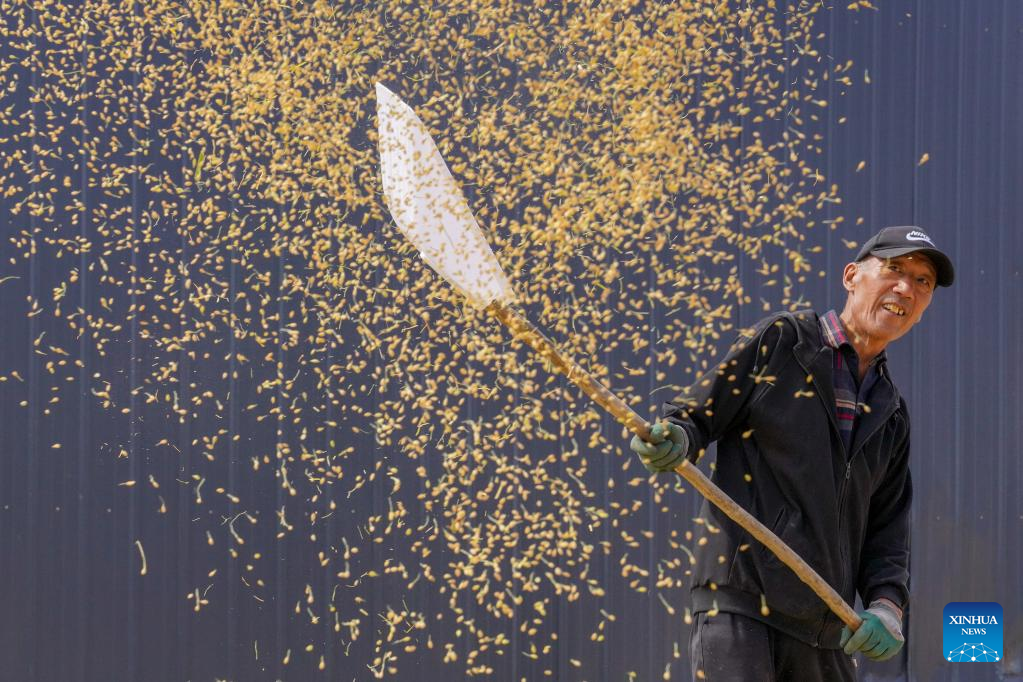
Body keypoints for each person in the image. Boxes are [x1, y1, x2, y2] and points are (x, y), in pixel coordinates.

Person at [631, 226, 955, 681]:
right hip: (742, 607)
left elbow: (887, 533)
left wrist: (887, 606)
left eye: (923, 281)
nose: (906, 288)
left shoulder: (891, 412)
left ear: (924, 307)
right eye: (894, 269)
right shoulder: (784, 343)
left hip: (826, 627)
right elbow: (698, 414)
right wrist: (677, 436)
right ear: (851, 276)